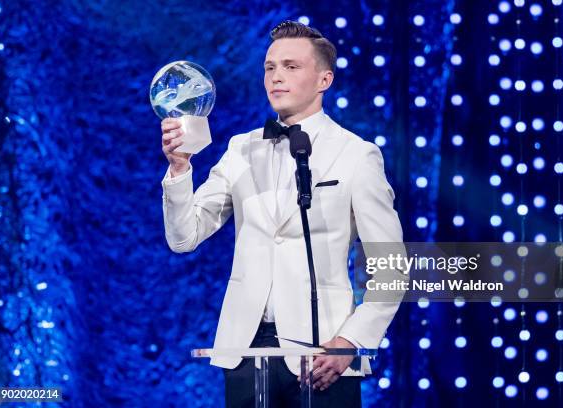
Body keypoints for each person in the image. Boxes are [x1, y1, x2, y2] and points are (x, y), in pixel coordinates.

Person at [160, 20, 404, 407]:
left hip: (323, 353)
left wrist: (350, 341)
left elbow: (392, 268)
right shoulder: (241, 149)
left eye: (291, 67)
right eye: (270, 68)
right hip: (245, 351)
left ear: (324, 79)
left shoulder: (357, 155)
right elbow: (183, 236)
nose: (276, 77)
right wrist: (179, 170)